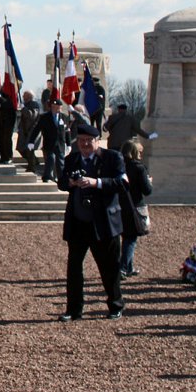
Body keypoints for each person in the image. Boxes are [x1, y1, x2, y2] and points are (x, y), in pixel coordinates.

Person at [57, 123, 127, 321]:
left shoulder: (113, 158)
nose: (85, 144)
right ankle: (73, 309)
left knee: (109, 267)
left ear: (97, 141)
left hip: (104, 222)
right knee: (74, 268)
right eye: (81, 141)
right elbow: (61, 182)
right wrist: (70, 182)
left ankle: (115, 304)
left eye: (89, 140)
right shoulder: (72, 159)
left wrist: (96, 183)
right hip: (79, 221)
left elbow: (122, 183)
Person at [119, 139, 153, 279]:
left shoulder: (119, 166)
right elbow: (147, 190)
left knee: (126, 236)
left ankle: (129, 267)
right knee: (131, 239)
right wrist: (149, 181)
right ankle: (122, 268)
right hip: (135, 205)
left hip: (120, 204)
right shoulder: (139, 168)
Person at [31, 99, 68, 183]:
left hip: (60, 143)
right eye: (56, 107)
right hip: (49, 143)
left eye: (59, 107)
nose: (58, 109)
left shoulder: (64, 117)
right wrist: (31, 141)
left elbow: (67, 131)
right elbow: (37, 129)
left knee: (60, 162)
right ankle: (47, 177)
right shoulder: (44, 117)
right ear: (52, 107)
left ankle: (61, 178)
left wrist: (68, 144)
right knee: (50, 159)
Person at [16, 91, 42, 173]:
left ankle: (32, 167)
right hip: (24, 132)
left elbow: (31, 115)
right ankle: (35, 161)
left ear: (29, 96)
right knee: (20, 149)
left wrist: (23, 108)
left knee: (29, 149)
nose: (23, 96)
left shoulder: (34, 105)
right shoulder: (26, 104)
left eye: (24, 95)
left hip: (32, 132)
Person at [0, 89, 17, 165]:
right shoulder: (2, 96)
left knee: (7, 139)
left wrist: (0, 98)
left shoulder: (12, 96)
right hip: (1, 121)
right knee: (1, 139)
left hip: (8, 121)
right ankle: (3, 156)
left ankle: (9, 157)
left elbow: (8, 104)